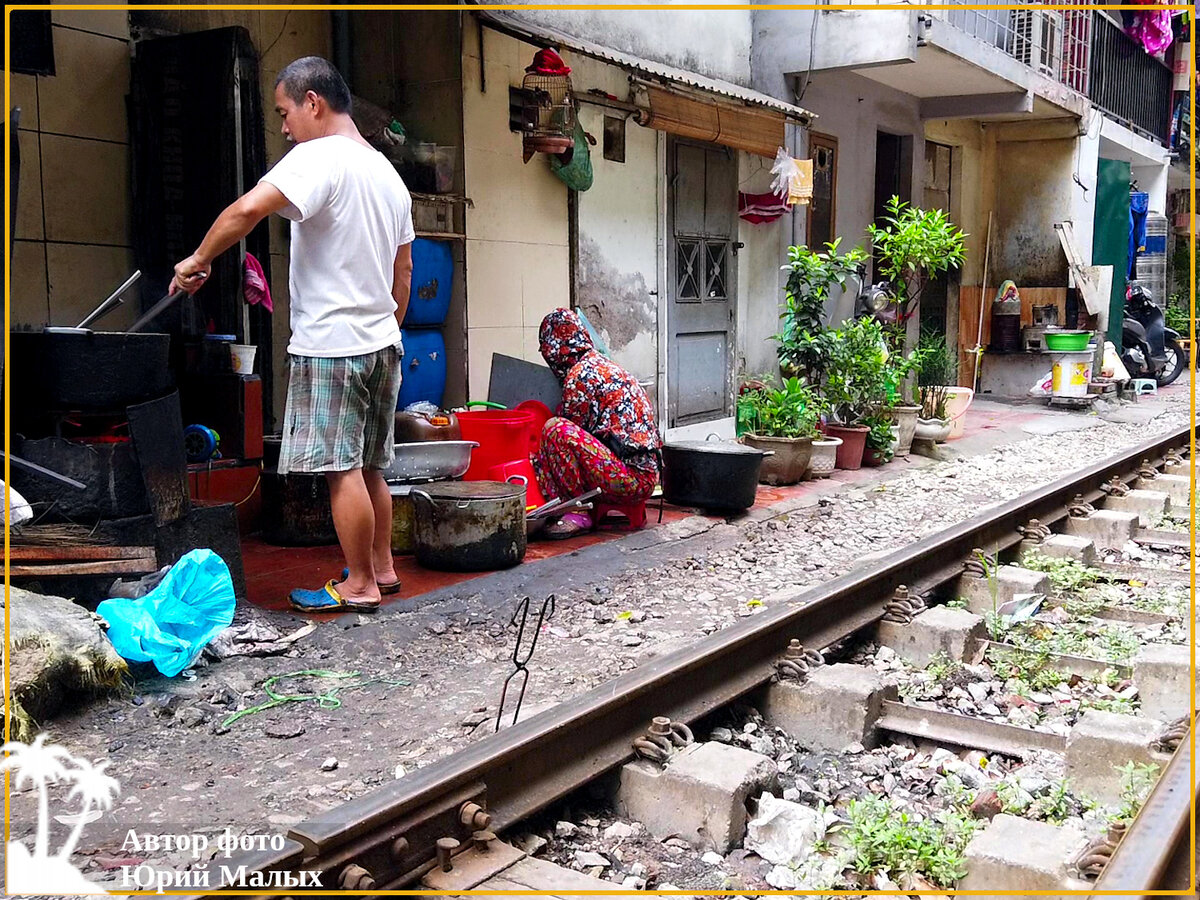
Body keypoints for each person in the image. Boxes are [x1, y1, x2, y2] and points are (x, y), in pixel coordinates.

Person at [171, 56, 414, 613]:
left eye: (284, 111)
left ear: (314, 103)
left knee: (342, 469)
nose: (283, 127)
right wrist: (387, 328)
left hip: (332, 344)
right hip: (381, 343)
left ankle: (358, 584)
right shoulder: (388, 175)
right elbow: (404, 272)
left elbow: (247, 209)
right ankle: (382, 567)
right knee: (372, 464)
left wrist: (199, 258)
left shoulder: (316, 157)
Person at [533, 309, 661, 538]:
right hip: (644, 476)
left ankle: (577, 511)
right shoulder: (599, 364)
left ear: (555, 348)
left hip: (631, 480)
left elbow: (567, 444)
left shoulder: (580, 377)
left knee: (555, 430)